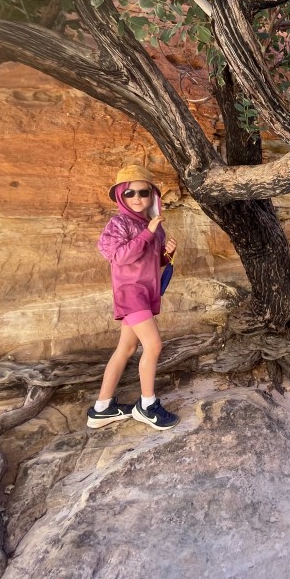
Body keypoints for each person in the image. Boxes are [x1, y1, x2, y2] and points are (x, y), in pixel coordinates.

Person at [87, 165, 180, 430]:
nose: (137, 198)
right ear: (121, 196)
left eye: (143, 192)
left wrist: (167, 254)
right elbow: (120, 257)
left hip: (145, 293)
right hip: (130, 293)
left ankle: (101, 408)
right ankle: (147, 406)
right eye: (130, 193)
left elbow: (151, 261)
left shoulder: (154, 226)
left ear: (152, 196)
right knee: (153, 345)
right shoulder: (118, 224)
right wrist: (148, 233)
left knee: (126, 348)